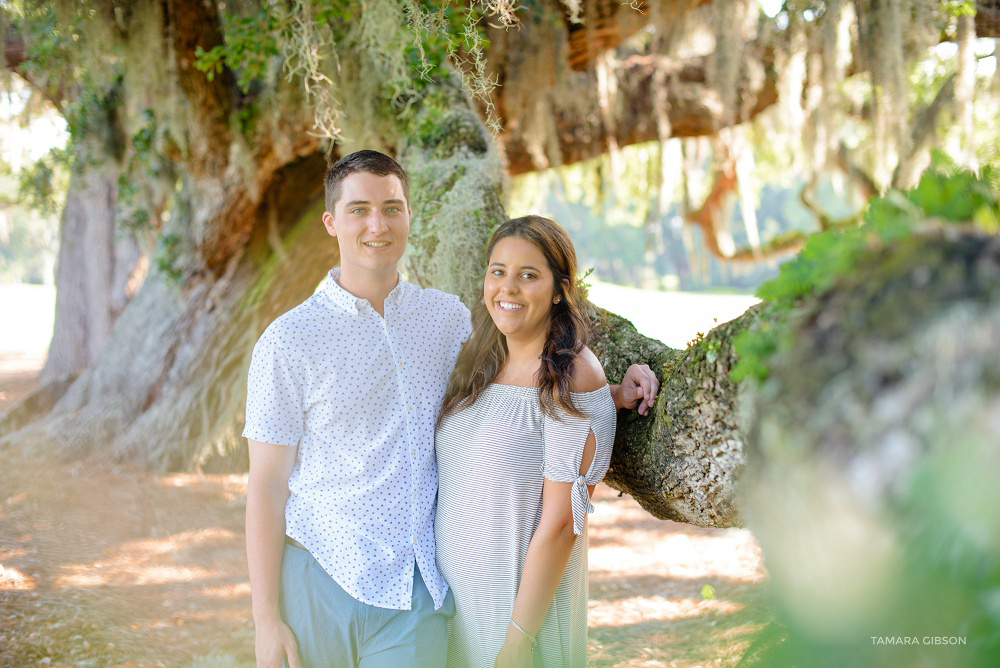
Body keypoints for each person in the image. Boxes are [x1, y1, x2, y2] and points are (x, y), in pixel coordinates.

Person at [243, 151, 659, 668]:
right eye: (359, 210)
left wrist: (610, 394)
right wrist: (266, 618)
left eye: (392, 207)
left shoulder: (447, 321)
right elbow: (264, 485)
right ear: (331, 222)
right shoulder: (287, 341)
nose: (378, 224)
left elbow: (515, 384)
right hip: (319, 577)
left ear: (410, 216)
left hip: (418, 594)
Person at [435, 215, 619, 668]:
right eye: (498, 271)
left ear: (559, 289)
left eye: (528, 276)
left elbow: (561, 524)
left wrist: (518, 640)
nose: (507, 288)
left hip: (517, 619)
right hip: (457, 610)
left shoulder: (572, 375)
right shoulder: (479, 361)